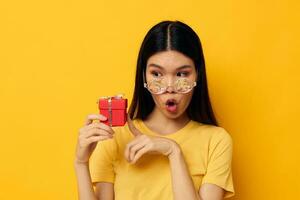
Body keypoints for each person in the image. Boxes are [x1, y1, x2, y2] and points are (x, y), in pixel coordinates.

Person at [74, 20, 235, 200]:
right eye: (157, 74)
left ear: (197, 74)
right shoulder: (115, 137)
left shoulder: (216, 141)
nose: (169, 87)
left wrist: (173, 151)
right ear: (144, 76)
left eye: (182, 74)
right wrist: (81, 163)